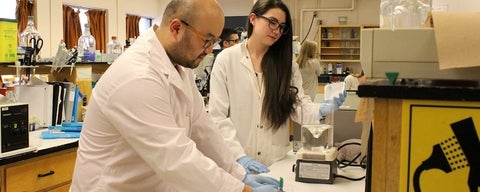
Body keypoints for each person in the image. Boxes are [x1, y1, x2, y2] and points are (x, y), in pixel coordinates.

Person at [70, 0, 279, 191]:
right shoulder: (136, 76)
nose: (209, 50)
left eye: (214, 42)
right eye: (206, 40)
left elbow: (202, 127)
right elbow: (175, 157)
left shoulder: (180, 66)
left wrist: (237, 174)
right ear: (176, 28)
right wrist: (240, 190)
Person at [209, 0, 346, 174]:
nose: (276, 30)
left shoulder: (286, 64)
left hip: (275, 161)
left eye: (281, 27)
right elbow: (217, 117)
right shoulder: (226, 60)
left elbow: (297, 106)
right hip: (236, 162)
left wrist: (320, 110)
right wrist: (238, 155)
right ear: (253, 19)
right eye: (272, 22)